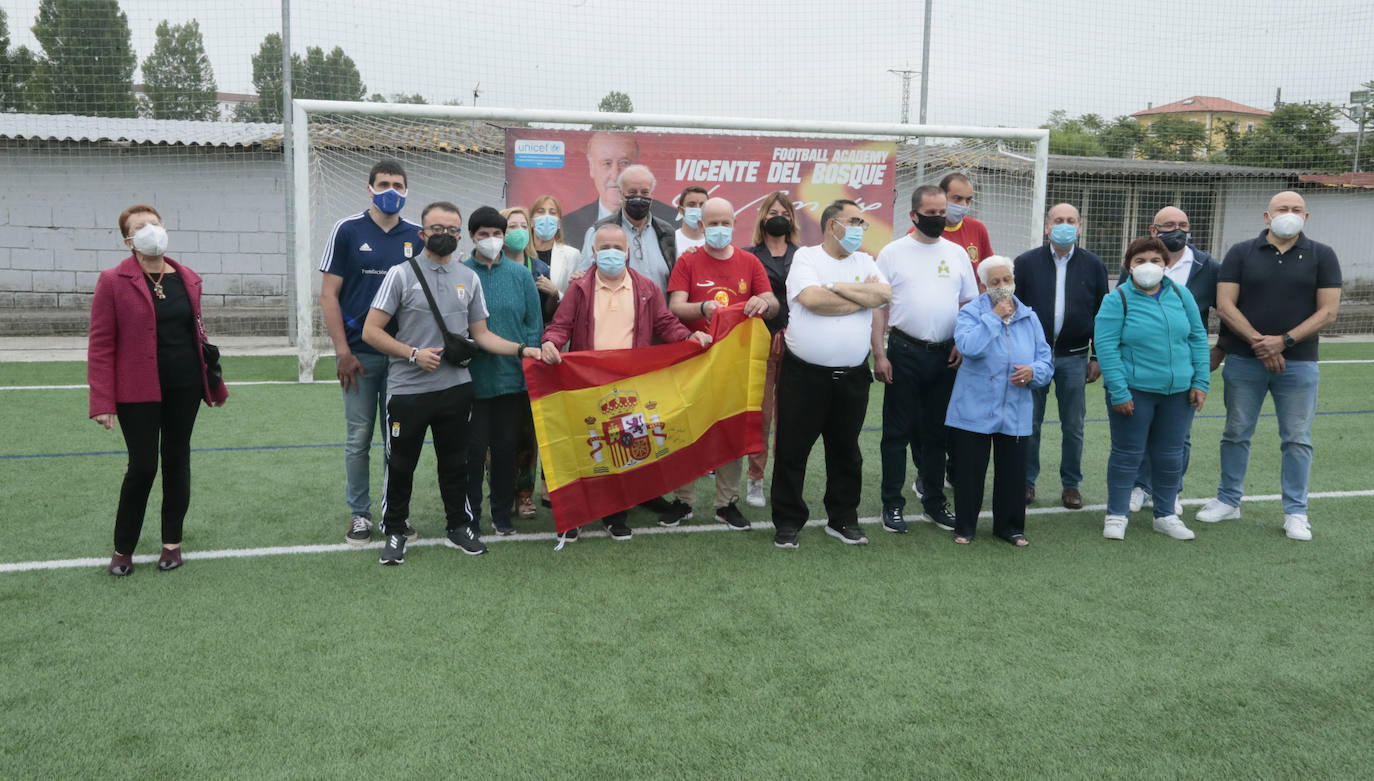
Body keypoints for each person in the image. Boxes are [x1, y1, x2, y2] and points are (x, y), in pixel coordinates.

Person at [362, 201, 558, 566]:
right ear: (422, 233)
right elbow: (370, 331)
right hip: (408, 389)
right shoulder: (401, 275)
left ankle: (459, 526)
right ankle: (394, 529)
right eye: (438, 228)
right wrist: (412, 354)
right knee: (401, 464)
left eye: (452, 229)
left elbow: (482, 335)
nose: (446, 235)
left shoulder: (468, 278)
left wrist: (523, 350)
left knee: (456, 463)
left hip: (456, 389)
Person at [540, 223, 713, 541]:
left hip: (630, 385)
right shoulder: (579, 288)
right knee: (584, 448)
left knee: (623, 450)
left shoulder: (646, 287)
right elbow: (560, 325)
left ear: (628, 251)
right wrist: (550, 341)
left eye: (617, 248)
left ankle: (615, 515)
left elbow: (665, 322)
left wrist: (689, 337)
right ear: (592, 251)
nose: (611, 253)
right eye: (603, 247)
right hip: (587, 383)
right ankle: (575, 516)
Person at [89, 205, 228, 576]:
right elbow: (101, 345)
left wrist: (212, 383)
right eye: (140, 227)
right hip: (136, 390)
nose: (151, 230)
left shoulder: (188, 278)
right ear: (128, 240)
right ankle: (123, 549)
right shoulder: (112, 281)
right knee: (143, 466)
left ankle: (172, 544)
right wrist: (102, 400)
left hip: (184, 385)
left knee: (177, 460)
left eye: (154, 223)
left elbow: (198, 336)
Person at [1196, 191, 1342, 541]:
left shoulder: (1323, 255)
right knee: (1235, 431)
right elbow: (1225, 304)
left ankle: (1296, 511)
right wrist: (1260, 343)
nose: (1288, 214)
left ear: (1305, 218)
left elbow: (1328, 312)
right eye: (1282, 209)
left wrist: (1285, 340)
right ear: (1267, 216)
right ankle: (1229, 500)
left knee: (1296, 439)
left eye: (1296, 210)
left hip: (1300, 364)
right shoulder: (1240, 252)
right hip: (1245, 361)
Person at [771, 199, 891, 549]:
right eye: (852, 221)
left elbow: (883, 294)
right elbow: (811, 300)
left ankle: (842, 519)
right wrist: (860, 295)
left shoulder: (867, 260)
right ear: (830, 225)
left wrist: (836, 287)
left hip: (852, 376)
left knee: (847, 452)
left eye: (862, 223)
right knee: (793, 450)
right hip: (804, 376)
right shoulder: (806, 258)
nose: (859, 229)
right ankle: (788, 521)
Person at [318, 159, 424, 546]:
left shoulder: (418, 235)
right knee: (358, 438)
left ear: (407, 190)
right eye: (384, 183)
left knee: (397, 439)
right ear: (369, 188)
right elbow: (329, 295)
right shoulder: (347, 230)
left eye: (398, 183)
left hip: (402, 357)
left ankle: (393, 514)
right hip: (358, 357)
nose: (391, 190)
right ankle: (360, 515)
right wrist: (342, 351)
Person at [659, 197, 778, 530]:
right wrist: (703, 309)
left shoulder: (750, 262)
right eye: (713, 223)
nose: (719, 229)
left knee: (730, 431)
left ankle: (726, 503)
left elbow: (771, 302)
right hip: (694, 359)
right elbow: (675, 306)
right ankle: (683, 501)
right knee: (686, 429)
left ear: (734, 223)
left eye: (725, 223)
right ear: (701, 226)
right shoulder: (688, 260)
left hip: (734, 364)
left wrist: (762, 300)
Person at [873, 185, 977, 534]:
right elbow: (878, 308)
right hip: (903, 353)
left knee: (936, 435)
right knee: (896, 434)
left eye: (941, 212)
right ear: (913, 215)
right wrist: (880, 353)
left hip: (945, 355)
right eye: (930, 214)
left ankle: (934, 503)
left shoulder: (958, 253)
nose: (937, 219)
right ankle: (893, 504)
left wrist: (962, 343)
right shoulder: (891, 253)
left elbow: (969, 305)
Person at [1094, 237, 1210, 541]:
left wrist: (1200, 381)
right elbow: (1106, 347)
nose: (1148, 266)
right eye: (1140, 260)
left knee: (1170, 455)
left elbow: (1197, 338)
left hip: (1178, 393)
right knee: (1126, 454)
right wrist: (1119, 391)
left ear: (1166, 264)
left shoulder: (1182, 296)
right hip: (1134, 391)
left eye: (1156, 260)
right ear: (1128, 266)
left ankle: (1166, 515)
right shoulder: (1116, 299)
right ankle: (1117, 514)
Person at [1122, 206, 1224, 513]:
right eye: (1169, 225)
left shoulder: (1208, 266)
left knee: (1179, 434)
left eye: (1183, 224)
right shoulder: (1142, 262)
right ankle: (1140, 485)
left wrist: (1220, 349)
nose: (1177, 229)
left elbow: (1228, 308)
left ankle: (1170, 490)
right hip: (1142, 367)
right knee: (1142, 429)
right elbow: (1121, 304)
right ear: (1154, 230)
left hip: (1184, 367)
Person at [944, 256, 1052, 546]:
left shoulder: (1029, 316)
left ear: (1014, 280)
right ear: (984, 285)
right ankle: (965, 527)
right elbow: (969, 346)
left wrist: (1033, 372)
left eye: (1007, 280)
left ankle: (1011, 527)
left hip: (1015, 408)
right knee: (969, 472)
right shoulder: (971, 313)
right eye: (995, 282)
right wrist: (993, 317)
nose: (1003, 287)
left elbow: (1045, 360)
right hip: (974, 406)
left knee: (1013, 473)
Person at [1012, 203, 1108, 509]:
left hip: (1075, 357)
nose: (1064, 225)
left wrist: (1096, 357)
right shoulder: (1025, 263)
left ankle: (1071, 484)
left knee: (1073, 425)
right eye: (1058, 220)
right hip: (1034, 358)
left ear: (1079, 227)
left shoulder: (1094, 265)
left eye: (1070, 221)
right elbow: (1014, 311)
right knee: (1030, 422)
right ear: (1047, 227)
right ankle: (1026, 482)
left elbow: (1102, 314)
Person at [462, 207, 544, 536]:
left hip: (512, 378)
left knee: (506, 448)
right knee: (473, 451)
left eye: (497, 234)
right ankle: (470, 515)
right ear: (472, 237)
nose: (491, 240)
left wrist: (524, 355)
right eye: (483, 234)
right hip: (472, 380)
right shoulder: (462, 273)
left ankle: (501, 514)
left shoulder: (521, 275)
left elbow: (532, 324)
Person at [743, 191, 800, 508]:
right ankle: (755, 479)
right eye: (772, 211)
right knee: (761, 416)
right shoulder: (750, 256)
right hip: (760, 346)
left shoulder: (804, 256)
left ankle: (785, 479)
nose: (779, 216)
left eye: (785, 212)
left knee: (791, 417)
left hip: (798, 345)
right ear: (763, 217)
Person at [501, 206, 558, 519]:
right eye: (512, 225)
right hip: (497, 359)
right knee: (497, 432)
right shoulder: (488, 267)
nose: (519, 230)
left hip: (531, 360)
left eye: (524, 225)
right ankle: (499, 491)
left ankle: (524, 494)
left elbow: (549, 317)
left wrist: (554, 294)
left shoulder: (539, 268)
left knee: (527, 432)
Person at [561, 132, 678, 249]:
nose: (615, 175)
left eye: (624, 163)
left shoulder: (670, 225)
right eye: (607, 163)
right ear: (592, 168)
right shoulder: (568, 225)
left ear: (636, 165)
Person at [575, 164, 677, 293]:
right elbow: (585, 277)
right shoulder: (600, 231)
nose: (639, 197)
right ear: (621, 195)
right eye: (632, 192)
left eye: (645, 192)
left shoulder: (667, 232)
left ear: (652, 196)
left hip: (661, 312)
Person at [529, 194, 581, 295]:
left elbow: (573, 296)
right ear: (531, 222)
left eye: (552, 213)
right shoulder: (521, 253)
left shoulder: (571, 255)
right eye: (541, 212)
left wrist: (555, 293)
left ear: (559, 224)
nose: (547, 216)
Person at [674, 185, 709, 256]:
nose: (698, 209)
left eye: (702, 205)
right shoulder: (671, 241)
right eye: (691, 205)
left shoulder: (713, 241)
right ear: (681, 210)